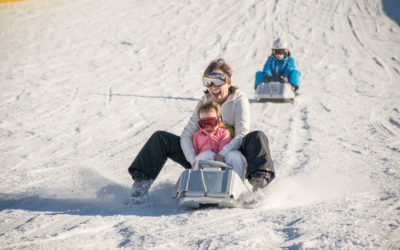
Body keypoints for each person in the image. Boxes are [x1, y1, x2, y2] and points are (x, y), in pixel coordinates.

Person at [128, 58, 275, 197]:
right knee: (161, 138)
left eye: (218, 80)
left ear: (228, 81)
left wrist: (223, 153)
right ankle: (141, 185)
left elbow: (242, 133)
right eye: (208, 82)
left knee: (257, 136)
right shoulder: (205, 101)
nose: (213, 87)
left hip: (233, 156)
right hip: (203, 156)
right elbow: (187, 134)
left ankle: (258, 187)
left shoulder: (238, 99)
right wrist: (193, 160)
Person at [192, 100, 246, 179]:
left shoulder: (224, 133)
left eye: (211, 123)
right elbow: (195, 153)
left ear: (218, 121)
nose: (207, 127)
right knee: (206, 154)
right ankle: (193, 180)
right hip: (206, 167)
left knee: (235, 155)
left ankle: (237, 181)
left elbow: (224, 148)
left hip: (223, 164)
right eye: (203, 123)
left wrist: (220, 159)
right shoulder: (197, 136)